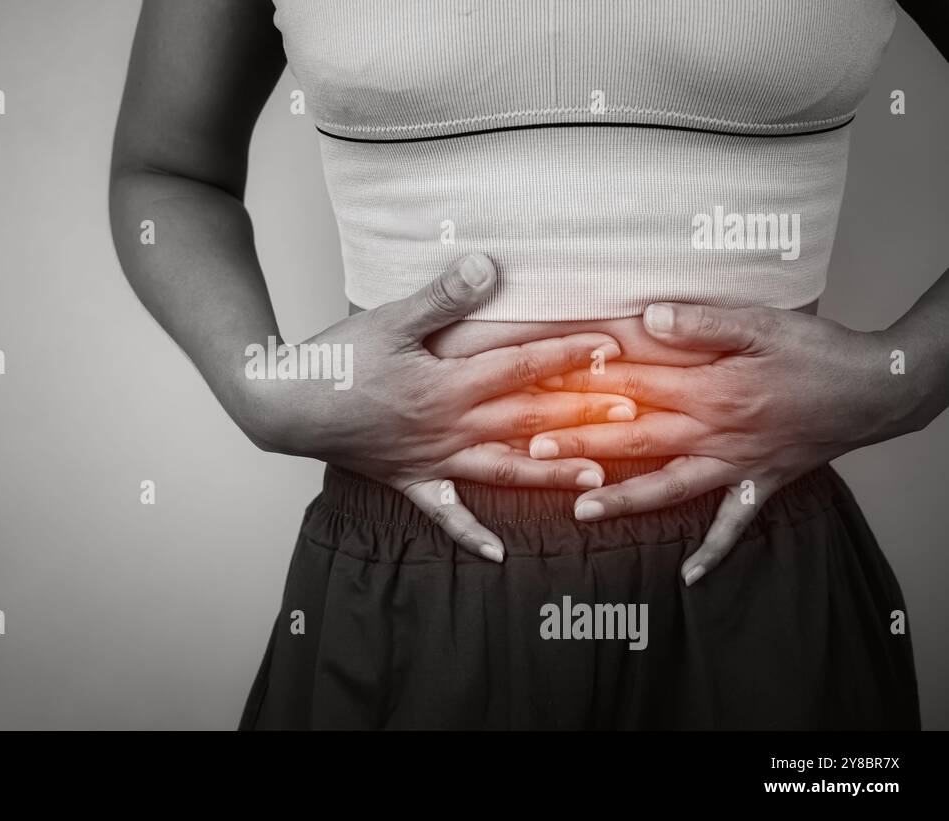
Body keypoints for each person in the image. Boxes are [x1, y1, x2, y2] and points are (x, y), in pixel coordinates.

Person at [109, 0, 948, 729]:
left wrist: (901, 382)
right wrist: (260, 391)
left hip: (755, 560)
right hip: (419, 560)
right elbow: (167, 171)